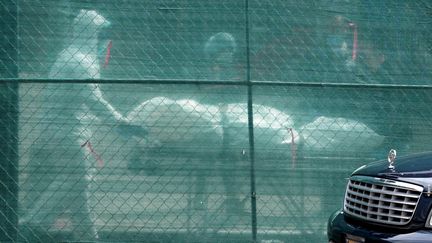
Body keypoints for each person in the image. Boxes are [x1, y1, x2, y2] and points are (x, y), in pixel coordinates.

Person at [20, 9, 129, 242]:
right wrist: (120, 122)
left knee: (80, 192)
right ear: (92, 34)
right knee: (75, 181)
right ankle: (32, 223)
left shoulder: (73, 55)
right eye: (102, 36)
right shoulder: (80, 61)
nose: (106, 42)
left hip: (66, 131)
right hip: (69, 133)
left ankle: (88, 238)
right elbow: (93, 99)